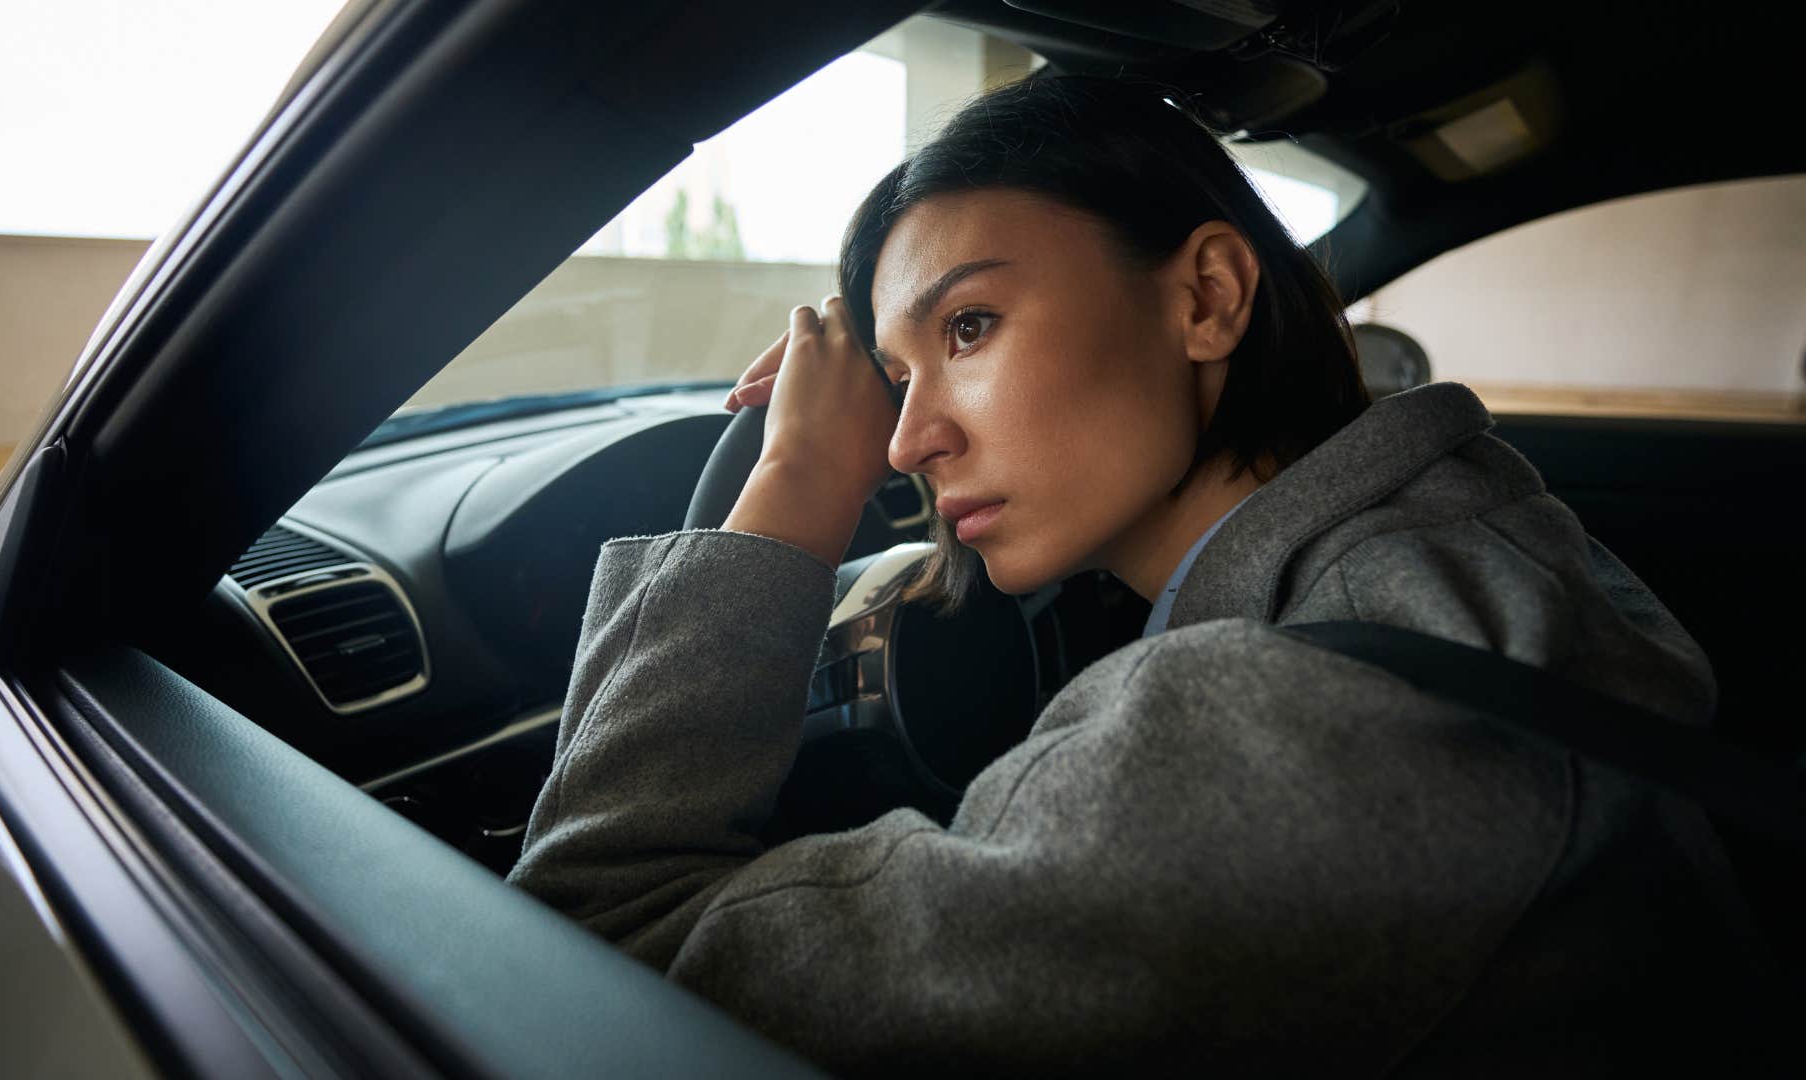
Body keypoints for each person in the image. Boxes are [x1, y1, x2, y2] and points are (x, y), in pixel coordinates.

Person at [507, 75, 1769, 1074]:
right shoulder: (1464, 534)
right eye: (894, 380)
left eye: (969, 327)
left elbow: (590, 946)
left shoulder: (1289, 731)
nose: (903, 444)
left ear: (1208, 297)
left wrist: (789, 494)